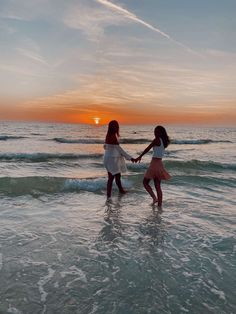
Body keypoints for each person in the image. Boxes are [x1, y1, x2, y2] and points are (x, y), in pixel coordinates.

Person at [134, 125, 171, 207]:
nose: (155, 132)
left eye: (156, 131)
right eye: (154, 131)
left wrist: (140, 156)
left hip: (154, 163)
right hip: (159, 163)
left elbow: (148, 148)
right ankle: (159, 206)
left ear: (160, 132)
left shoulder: (157, 140)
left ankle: (154, 198)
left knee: (145, 182)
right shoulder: (163, 141)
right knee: (157, 186)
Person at [104, 120, 134, 199]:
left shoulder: (108, 135)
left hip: (108, 158)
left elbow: (105, 146)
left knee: (116, 176)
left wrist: (111, 149)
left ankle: (119, 191)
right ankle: (109, 195)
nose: (117, 127)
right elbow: (119, 150)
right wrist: (130, 158)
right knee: (112, 177)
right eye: (116, 126)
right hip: (112, 159)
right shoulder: (113, 136)